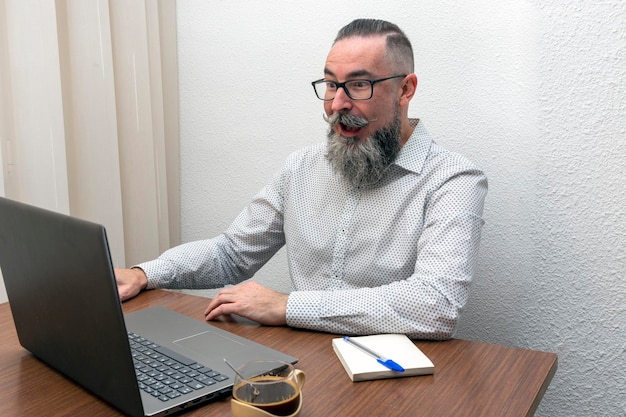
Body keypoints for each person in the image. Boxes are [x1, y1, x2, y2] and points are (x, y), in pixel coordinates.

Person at [115, 18, 488, 340]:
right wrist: (145, 273)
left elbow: (437, 304)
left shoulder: (453, 180)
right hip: (304, 361)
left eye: (359, 85)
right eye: (330, 84)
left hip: (396, 380)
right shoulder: (301, 168)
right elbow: (231, 253)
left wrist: (286, 306)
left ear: (405, 89)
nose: (337, 104)